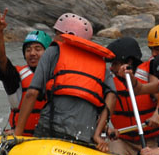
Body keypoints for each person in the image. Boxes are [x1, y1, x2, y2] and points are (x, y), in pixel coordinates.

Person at [13, 13, 116, 146]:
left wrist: (17, 134)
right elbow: (112, 96)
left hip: (52, 129)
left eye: (57, 34)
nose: (54, 38)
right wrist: (97, 133)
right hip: (85, 135)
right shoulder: (100, 63)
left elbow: (32, 93)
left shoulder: (53, 51)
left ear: (69, 35)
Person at [97, 37, 158, 155]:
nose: (111, 68)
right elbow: (99, 113)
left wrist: (157, 115)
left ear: (129, 62)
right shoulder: (110, 84)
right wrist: (107, 129)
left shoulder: (149, 75)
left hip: (150, 139)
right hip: (122, 140)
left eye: (115, 63)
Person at [0, 9, 51, 134]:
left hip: (48, 138)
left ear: (49, 53)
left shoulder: (56, 75)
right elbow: (1, 59)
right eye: (28, 50)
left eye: (38, 49)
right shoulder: (15, 76)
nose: (32, 53)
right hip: (21, 138)